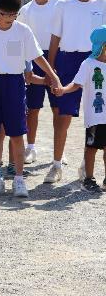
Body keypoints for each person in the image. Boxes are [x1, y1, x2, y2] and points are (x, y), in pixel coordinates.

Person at [0, 0, 61, 198]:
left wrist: (52, 76)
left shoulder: (23, 30)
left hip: (14, 83)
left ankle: (19, 179)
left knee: (17, 133)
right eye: (4, 13)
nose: (9, 18)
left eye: (13, 14)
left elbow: (37, 56)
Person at [45, 0, 106, 183]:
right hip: (68, 60)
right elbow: (55, 38)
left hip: (97, 61)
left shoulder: (102, 4)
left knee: (97, 115)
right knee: (64, 116)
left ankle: (85, 164)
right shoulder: (63, 4)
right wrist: (51, 70)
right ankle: (56, 164)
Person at [16, 0, 61, 165]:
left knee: (58, 108)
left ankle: (58, 152)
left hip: (57, 59)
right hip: (33, 61)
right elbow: (21, 40)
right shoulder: (25, 10)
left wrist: (54, 65)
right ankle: (31, 147)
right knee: (32, 109)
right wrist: (27, 67)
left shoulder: (60, 5)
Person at [55, 26, 106, 192]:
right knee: (91, 148)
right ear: (102, 45)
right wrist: (63, 90)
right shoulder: (88, 64)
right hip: (95, 117)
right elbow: (76, 84)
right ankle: (88, 179)